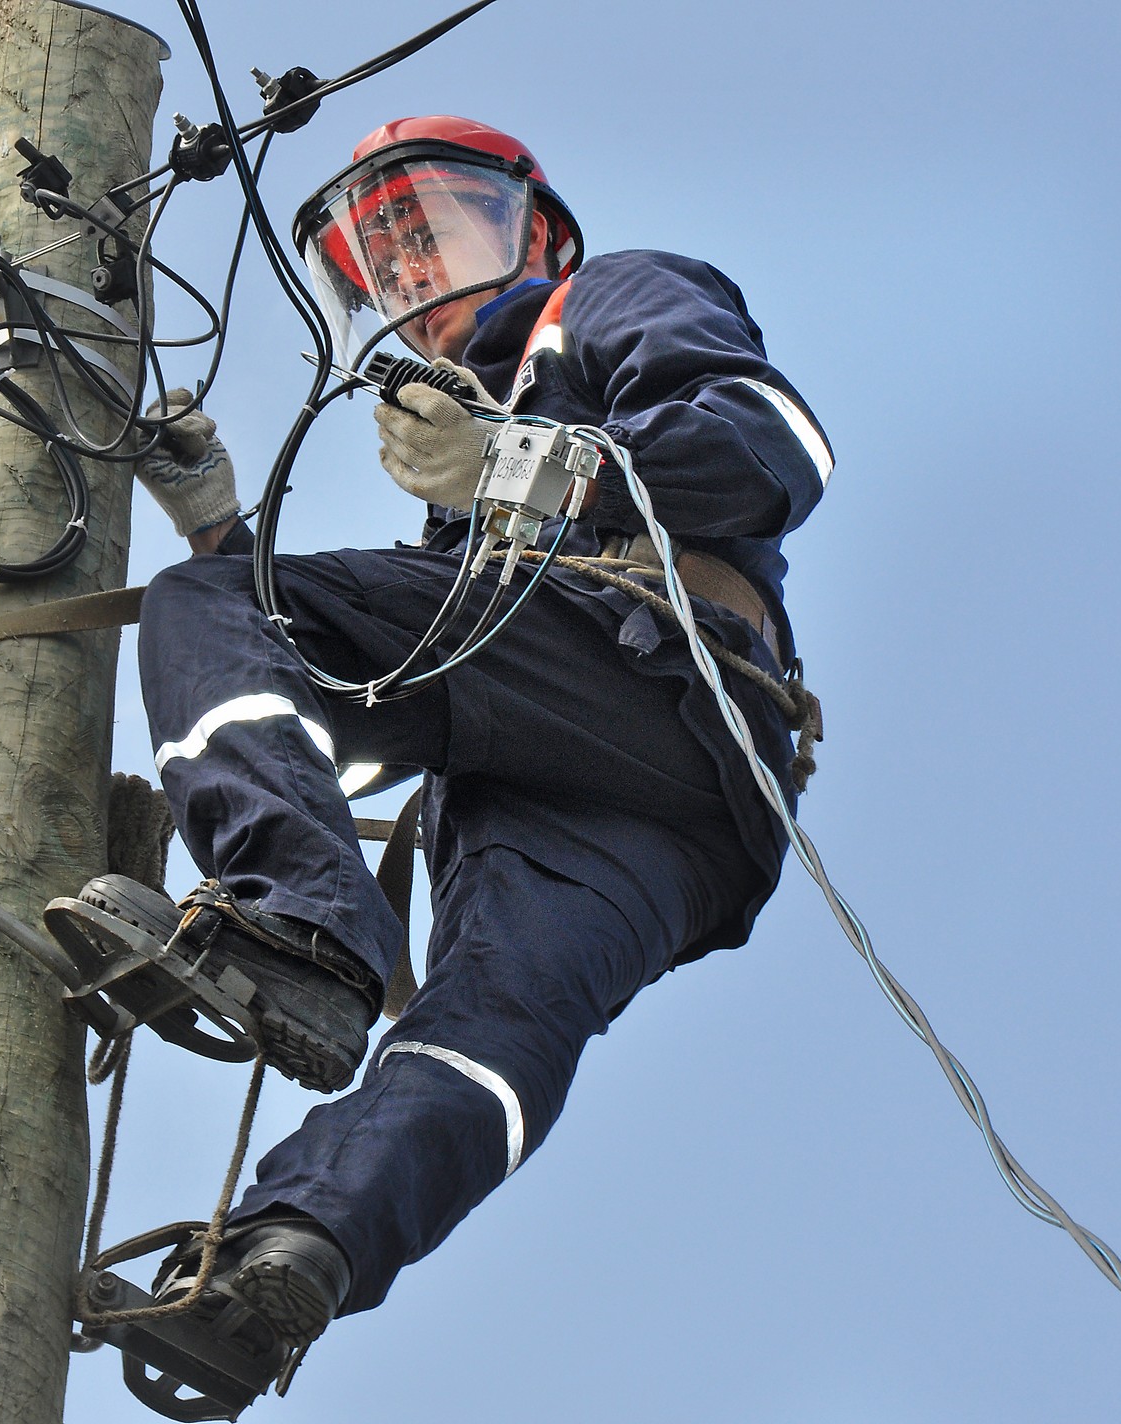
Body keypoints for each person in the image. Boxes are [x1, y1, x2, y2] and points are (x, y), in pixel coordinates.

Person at [96, 114, 834, 1403]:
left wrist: (525, 460)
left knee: (207, 615)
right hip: (657, 805)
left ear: (531, 230)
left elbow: (772, 450)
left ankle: (306, 932)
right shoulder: (460, 500)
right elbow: (351, 682)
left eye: (433, 229)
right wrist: (217, 516)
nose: (415, 272)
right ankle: (289, 1266)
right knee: (488, 1025)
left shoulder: (609, 301)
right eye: (384, 261)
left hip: (654, 676)